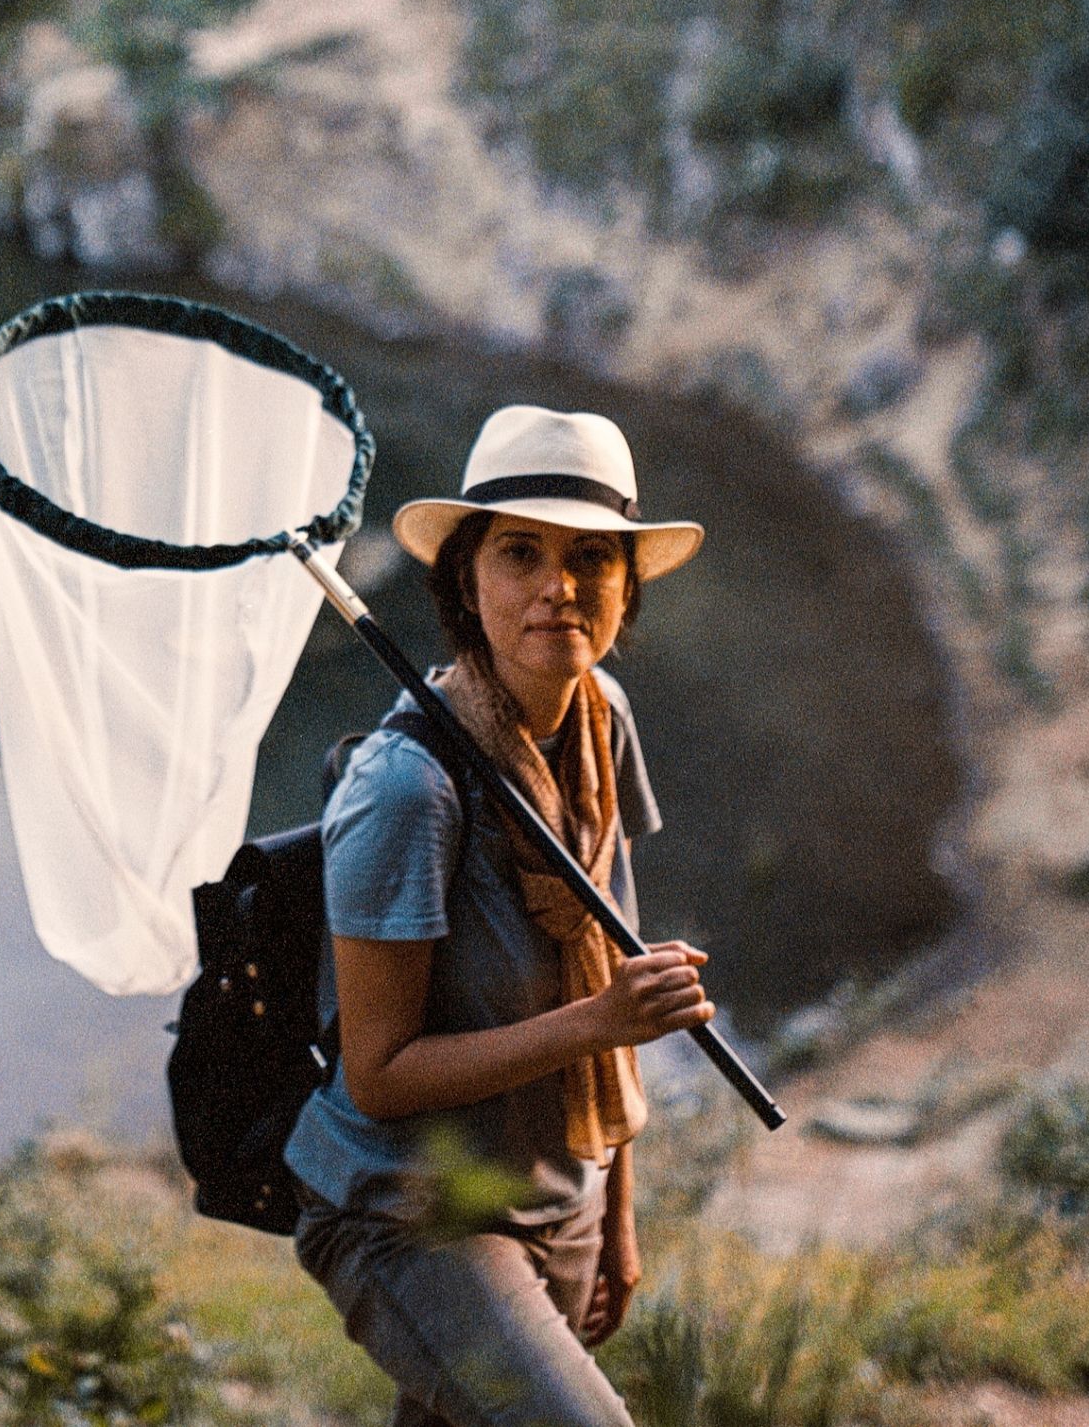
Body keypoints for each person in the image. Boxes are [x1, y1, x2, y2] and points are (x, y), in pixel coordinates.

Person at [284, 405, 713, 1427]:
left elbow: (609, 957)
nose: (559, 586)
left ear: (626, 587)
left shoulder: (602, 720)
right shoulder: (407, 788)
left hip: (561, 1195)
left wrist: (615, 1211)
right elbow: (381, 1075)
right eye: (521, 553)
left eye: (592, 558)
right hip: (411, 1215)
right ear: (465, 583)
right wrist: (600, 1022)